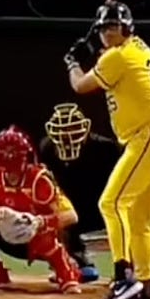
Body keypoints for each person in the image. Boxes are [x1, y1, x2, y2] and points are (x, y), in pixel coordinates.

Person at [63, 1, 150, 299]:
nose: (108, 32)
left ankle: (123, 278)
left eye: (113, 26)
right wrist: (94, 52)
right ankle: (146, 290)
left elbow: (81, 85)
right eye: (103, 27)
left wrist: (72, 61)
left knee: (111, 202)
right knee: (138, 216)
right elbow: (110, 64)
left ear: (127, 28)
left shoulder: (118, 56)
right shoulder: (135, 48)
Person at [0, 126, 85, 294]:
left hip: (37, 239)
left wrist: (39, 222)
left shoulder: (39, 181)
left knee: (46, 234)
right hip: (3, 233)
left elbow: (71, 216)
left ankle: (66, 274)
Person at [38, 103, 122, 283]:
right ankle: (72, 261)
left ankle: (125, 270)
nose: (66, 135)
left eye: (71, 129)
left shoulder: (106, 149)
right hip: (71, 209)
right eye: (62, 130)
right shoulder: (47, 148)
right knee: (49, 212)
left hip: (103, 206)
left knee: (125, 216)